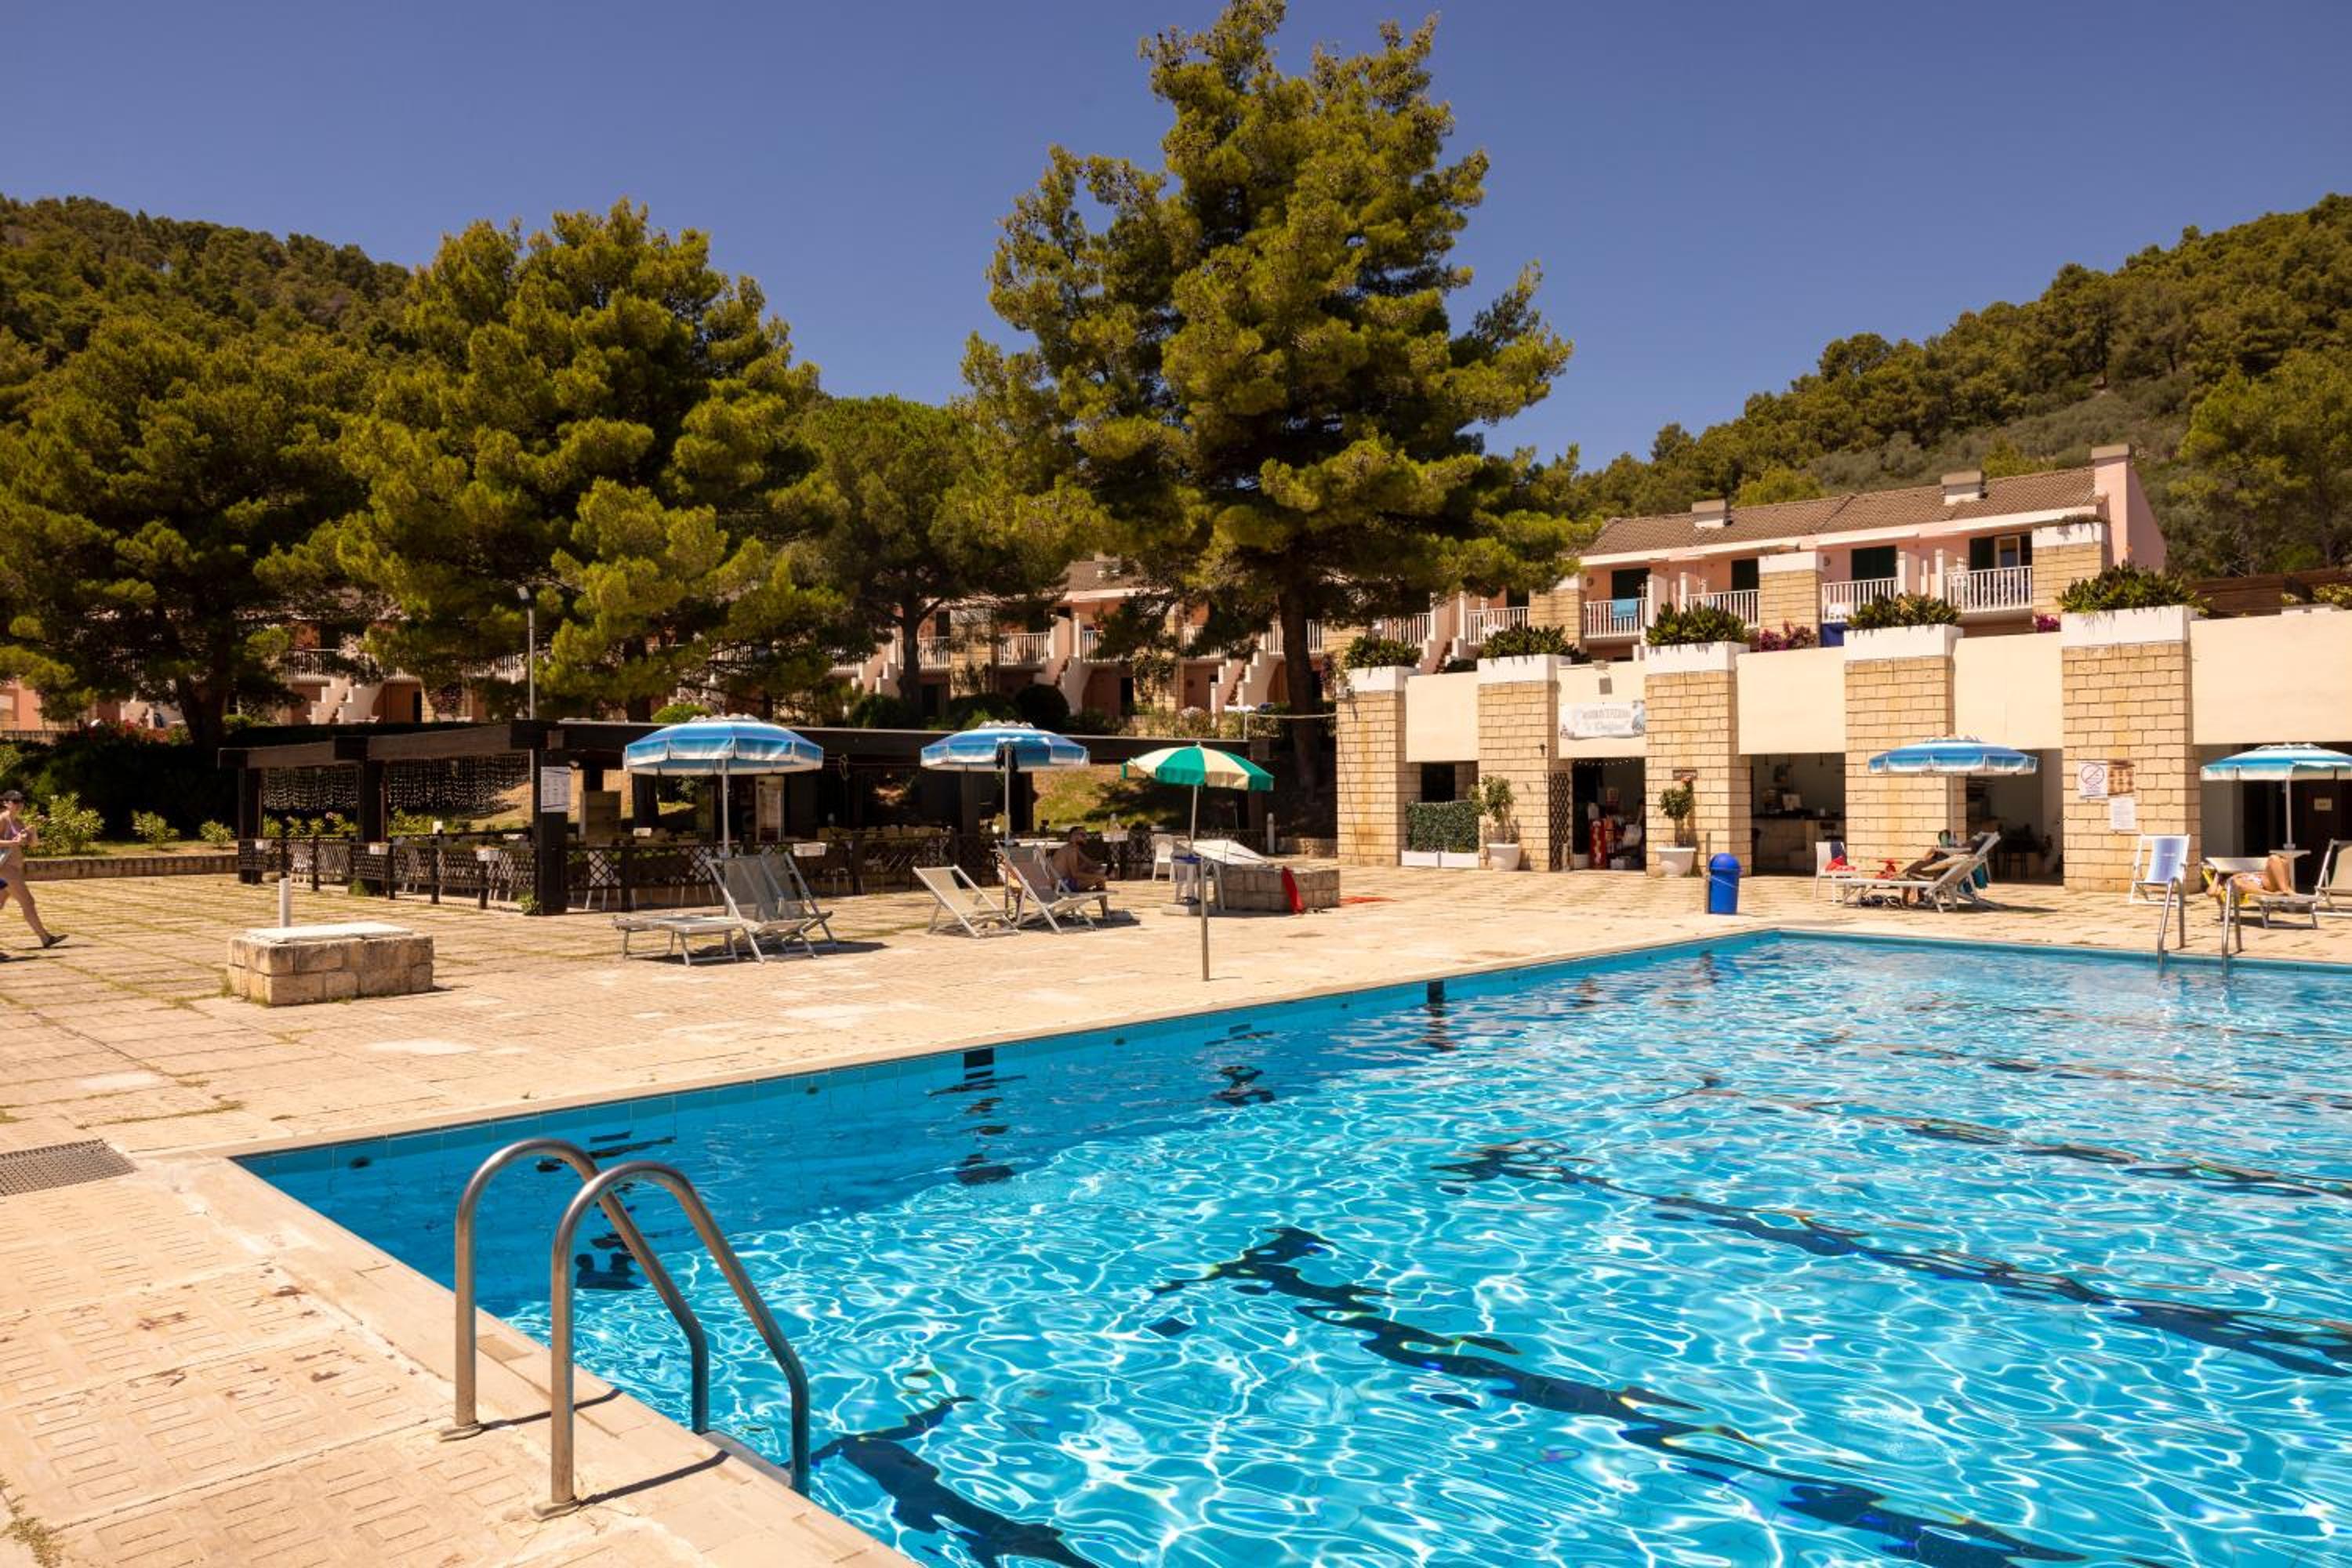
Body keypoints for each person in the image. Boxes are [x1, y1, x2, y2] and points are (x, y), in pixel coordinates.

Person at [0, 790, 64, 952]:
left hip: (13, 869)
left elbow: (33, 845)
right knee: (28, 902)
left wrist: (33, 833)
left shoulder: (19, 822)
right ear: (5, 803)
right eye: (15, 801)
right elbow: (10, 843)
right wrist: (12, 842)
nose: (19, 804)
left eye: (21, 801)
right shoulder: (2, 819)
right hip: (5, 870)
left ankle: (46, 938)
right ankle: (45, 937)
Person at [1048, 826, 1107, 891]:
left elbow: (1089, 863)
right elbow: (1075, 874)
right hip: (1060, 884)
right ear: (1074, 836)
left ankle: (1100, 891)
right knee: (1099, 878)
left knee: (1094, 871)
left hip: (1062, 882)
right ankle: (1101, 893)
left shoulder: (1073, 848)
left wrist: (1102, 869)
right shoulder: (1071, 850)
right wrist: (1099, 877)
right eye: (1083, 835)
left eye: (1086, 835)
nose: (1085, 837)